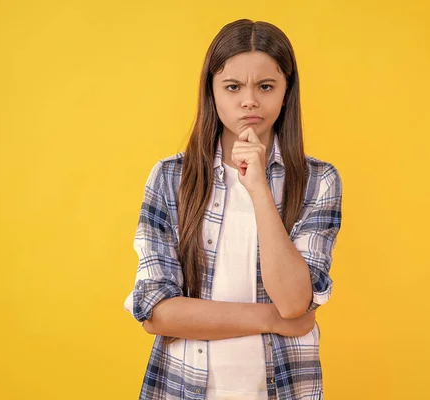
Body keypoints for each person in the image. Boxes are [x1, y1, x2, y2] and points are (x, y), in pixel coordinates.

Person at [124, 18, 343, 400]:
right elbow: (157, 313)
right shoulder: (170, 177)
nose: (249, 100)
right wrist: (271, 319)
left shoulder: (318, 180)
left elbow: (293, 300)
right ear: (211, 92)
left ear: (286, 93)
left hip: (283, 387)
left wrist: (258, 188)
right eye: (232, 86)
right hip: (183, 387)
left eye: (266, 86)